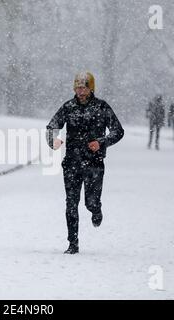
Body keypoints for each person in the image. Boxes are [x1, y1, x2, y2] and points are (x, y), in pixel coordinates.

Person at [46, 71, 124, 254]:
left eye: (84, 88)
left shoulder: (102, 108)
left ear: (91, 88)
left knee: (90, 201)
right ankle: (73, 243)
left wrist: (102, 142)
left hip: (94, 164)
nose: (80, 91)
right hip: (72, 163)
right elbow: (51, 127)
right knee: (71, 203)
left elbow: (118, 131)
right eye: (78, 87)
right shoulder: (69, 107)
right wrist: (53, 140)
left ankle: (96, 210)